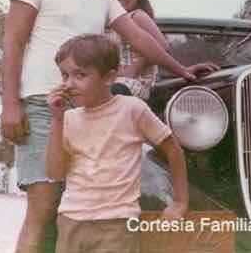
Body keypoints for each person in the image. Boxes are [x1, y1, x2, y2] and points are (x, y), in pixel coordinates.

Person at [0, 0, 216, 253]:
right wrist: (10, 103)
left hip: (92, 110)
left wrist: (182, 70)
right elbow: (12, 42)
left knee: (84, 208)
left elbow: (138, 37)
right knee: (43, 208)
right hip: (46, 104)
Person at [45, 34, 188, 253]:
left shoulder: (132, 109)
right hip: (70, 220)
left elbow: (173, 149)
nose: (69, 84)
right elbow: (55, 173)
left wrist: (180, 203)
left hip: (117, 222)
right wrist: (57, 119)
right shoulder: (67, 118)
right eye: (65, 75)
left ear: (109, 77)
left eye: (80, 75)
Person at [106, 0, 167, 99]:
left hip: (136, 80)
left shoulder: (138, 16)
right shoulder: (106, 22)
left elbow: (162, 46)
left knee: (116, 92)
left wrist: (134, 68)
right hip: (113, 78)